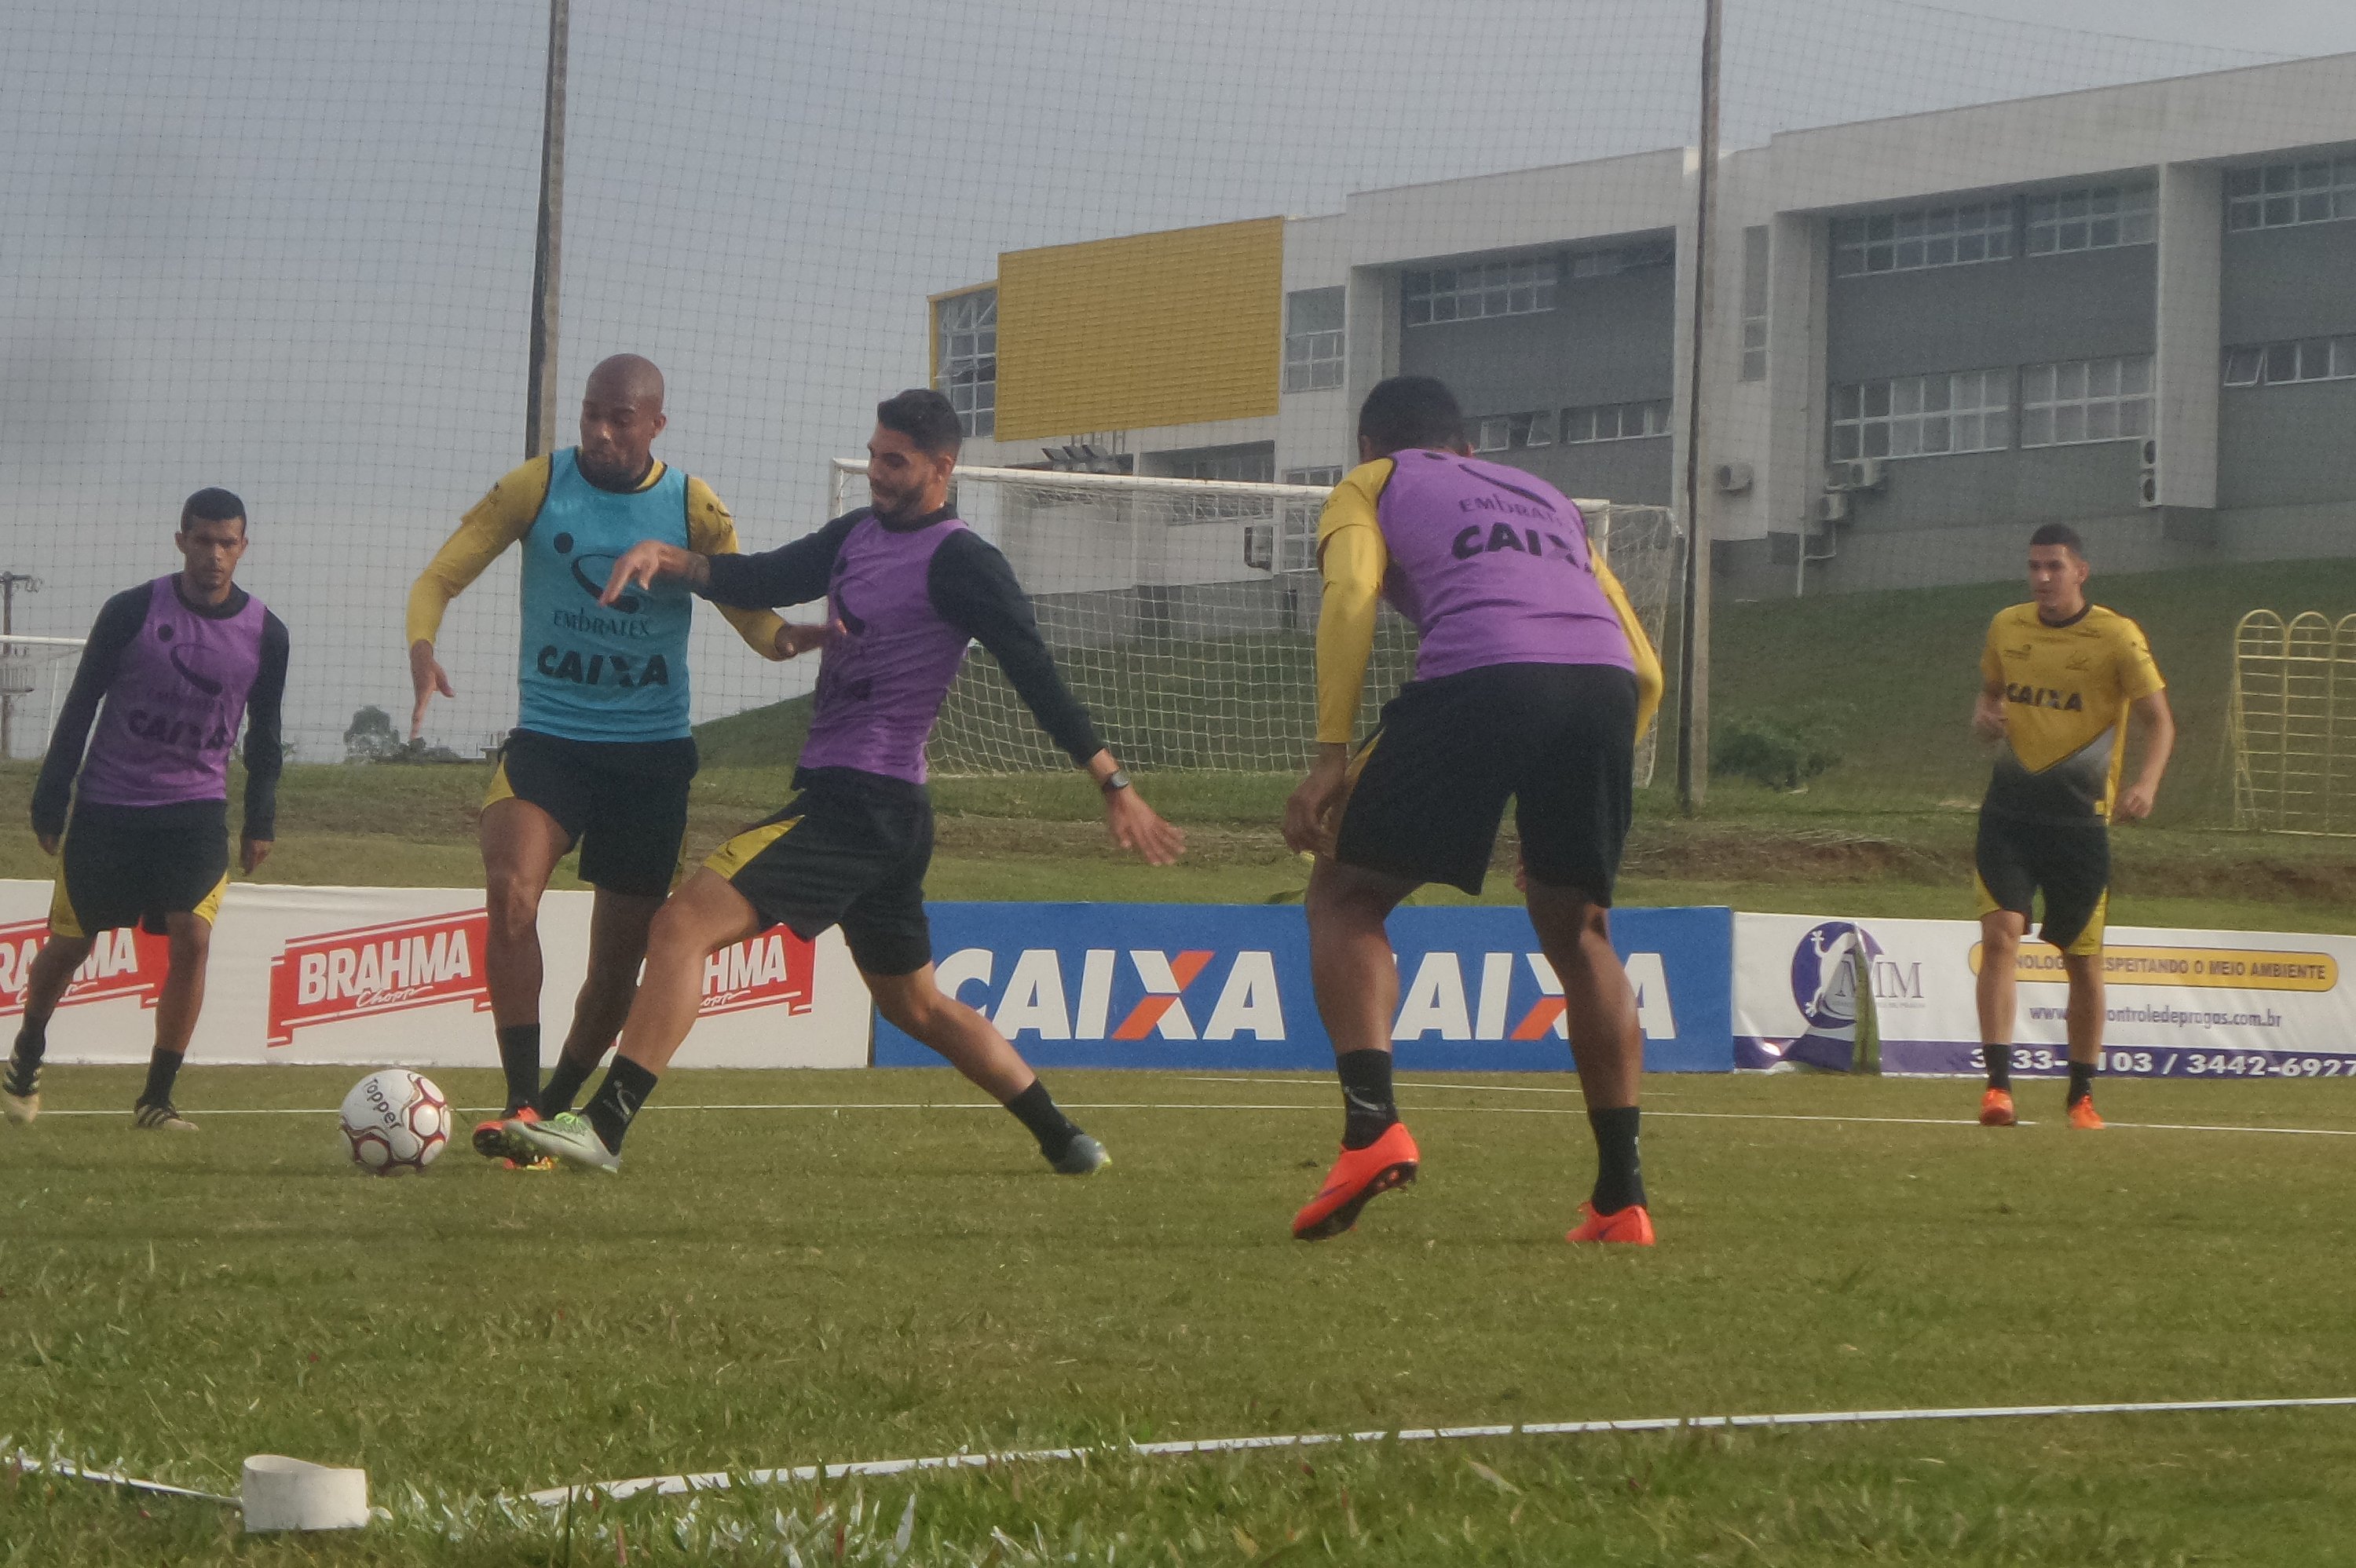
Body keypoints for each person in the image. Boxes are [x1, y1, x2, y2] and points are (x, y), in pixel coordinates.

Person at [505, 388, 1184, 1175]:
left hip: (861, 802)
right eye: (873, 454)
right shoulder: (856, 535)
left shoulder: (963, 559)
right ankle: (1065, 1138)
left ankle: (606, 1124)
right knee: (915, 1004)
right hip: (883, 816)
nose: (876, 472)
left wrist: (1112, 780)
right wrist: (674, 561)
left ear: (942, 468)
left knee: (679, 926)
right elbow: (762, 574)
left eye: (894, 461)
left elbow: (1035, 673)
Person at [1280, 376, 1663, 1245]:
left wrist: (1330, 754)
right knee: (1583, 931)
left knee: (1344, 895)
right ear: (1468, 447)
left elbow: (1349, 597)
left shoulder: (1371, 485)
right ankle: (1622, 1197)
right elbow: (1648, 667)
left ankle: (1371, 1128)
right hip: (1602, 691)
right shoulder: (1550, 498)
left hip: (1484, 671)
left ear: (1374, 445)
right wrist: (1574, 798)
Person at [408, 355, 791, 1168]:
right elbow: (440, 576)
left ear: (657, 424)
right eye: (591, 415)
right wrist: (421, 643)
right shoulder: (536, 486)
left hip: (651, 757)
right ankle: (518, 1094)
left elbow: (753, 620)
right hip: (549, 740)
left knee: (618, 960)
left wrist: (799, 639)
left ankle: (552, 1111)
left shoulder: (694, 505)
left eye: (620, 419)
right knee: (511, 890)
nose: (601, 433)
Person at [4, 488, 287, 1130]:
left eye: (227, 542)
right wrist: (51, 798)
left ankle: (156, 1100)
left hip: (195, 811)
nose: (214, 554)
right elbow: (80, 706)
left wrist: (261, 817)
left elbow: (264, 733)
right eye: (203, 539)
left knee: (193, 938)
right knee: (70, 944)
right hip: (109, 808)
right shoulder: (131, 611)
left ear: (244, 547)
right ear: (180, 539)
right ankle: (29, 1045)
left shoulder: (267, 633)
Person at [1971, 522, 2172, 1131]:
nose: (2043, 578)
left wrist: (2145, 784)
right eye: (2034, 566)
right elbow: (1990, 694)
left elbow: (2160, 721)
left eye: (2054, 566)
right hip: (2008, 814)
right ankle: (1998, 1090)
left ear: (2080, 571)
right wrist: (1985, 712)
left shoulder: (2116, 636)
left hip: (2078, 824)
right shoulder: (2008, 626)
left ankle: (2081, 1095)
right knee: (2001, 933)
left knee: (2082, 961)